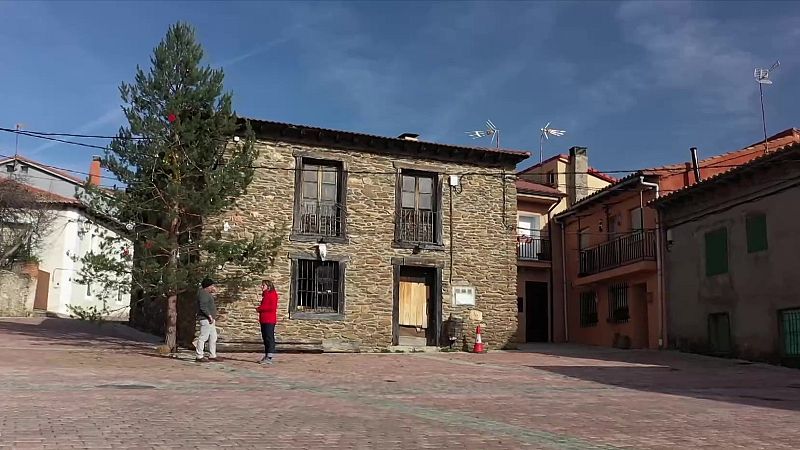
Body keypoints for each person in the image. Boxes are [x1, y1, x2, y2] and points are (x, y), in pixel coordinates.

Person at [195, 277, 218, 362]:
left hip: (210, 320)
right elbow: (203, 307)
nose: (213, 287)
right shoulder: (203, 294)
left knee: (213, 337)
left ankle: (212, 355)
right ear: (208, 286)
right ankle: (199, 355)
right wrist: (209, 316)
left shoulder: (207, 294)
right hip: (205, 319)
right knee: (203, 337)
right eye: (212, 286)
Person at [256, 280, 278, 365]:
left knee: (269, 337)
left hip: (269, 319)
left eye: (263, 285)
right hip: (264, 319)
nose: (261, 287)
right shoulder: (265, 295)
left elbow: (271, 307)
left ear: (268, 286)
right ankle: (266, 355)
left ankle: (269, 356)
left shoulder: (272, 294)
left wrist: (260, 308)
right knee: (265, 338)